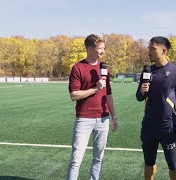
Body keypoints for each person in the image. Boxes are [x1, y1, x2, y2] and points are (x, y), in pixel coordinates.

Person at [136, 36, 176, 180]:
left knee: (173, 164)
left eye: (153, 49)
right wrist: (142, 90)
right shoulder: (147, 72)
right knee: (148, 163)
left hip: (168, 126)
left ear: (164, 50)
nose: (149, 52)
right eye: (149, 48)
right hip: (148, 125)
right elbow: (139, 97)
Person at [67, 34, 118, 180]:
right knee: (76, 160)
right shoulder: (77, 67)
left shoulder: (105, 68)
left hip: (103, 119)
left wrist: (113, 116)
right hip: (83, 119)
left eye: (104, 48)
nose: (103, 51)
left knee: (98, 159)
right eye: (100, 48)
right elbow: (74, 95)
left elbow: (108, 94)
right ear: (90, 49)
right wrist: (96, 89)